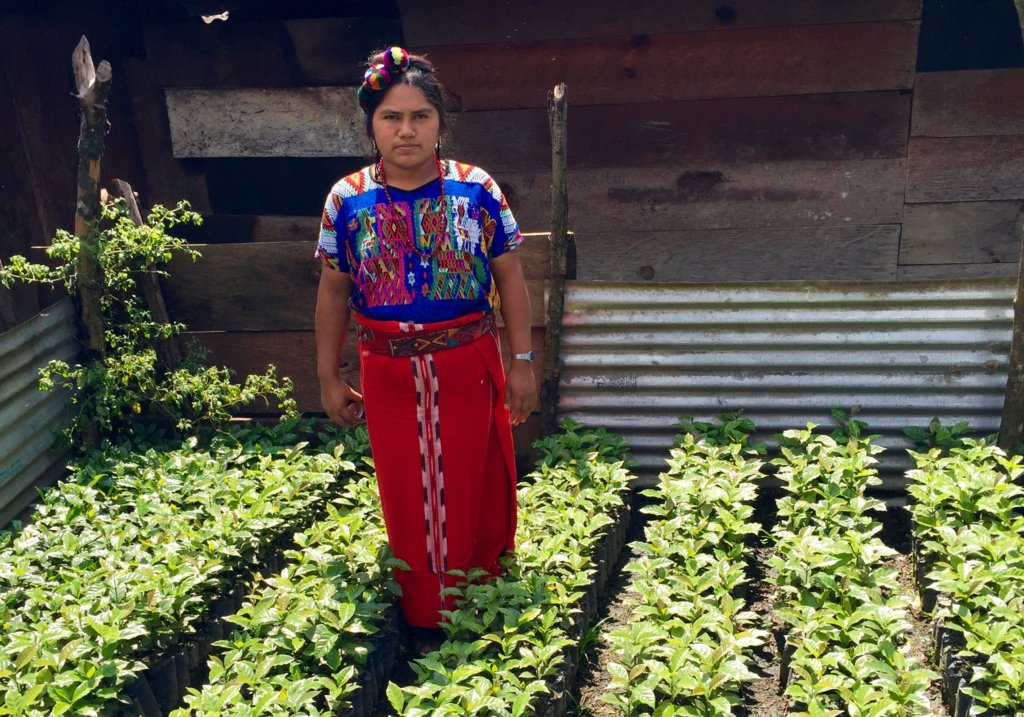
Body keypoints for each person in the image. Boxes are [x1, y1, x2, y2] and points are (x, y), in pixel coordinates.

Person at [314, 47, 537, 649]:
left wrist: (523, 362)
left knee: (473, 482)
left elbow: (511, 279)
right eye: (391, 117)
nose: (406, 130)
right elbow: (334, 292)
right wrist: (329, 376)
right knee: (407, 492)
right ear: (371, 126)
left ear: (441, 123)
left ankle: (479, 601)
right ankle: (423, 619)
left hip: (468, 363)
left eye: (420, 116)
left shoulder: (477, 191)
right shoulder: (346, 200)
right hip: (386, 372)